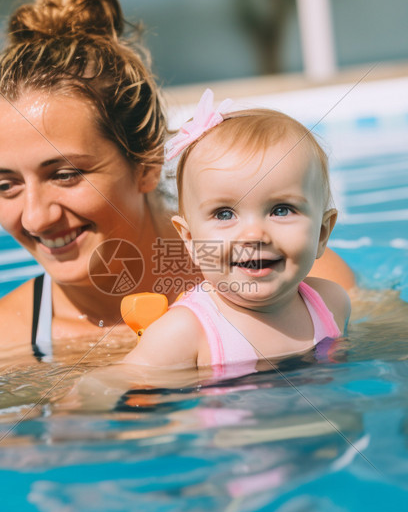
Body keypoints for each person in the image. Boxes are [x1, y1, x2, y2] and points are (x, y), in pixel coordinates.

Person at [0, 0, 355, 357]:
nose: (36, 216)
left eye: (65, 175)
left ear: (146, 163)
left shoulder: (304, 284)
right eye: (6, 185)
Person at [122, 91, 350, 372]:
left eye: (281, 210)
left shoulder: (331, 303)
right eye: (224, 214)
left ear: (323, 232)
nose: (254, 235)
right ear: (190, 240)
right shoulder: (185, 333)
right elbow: (111, 388)